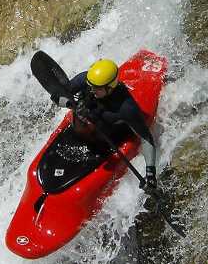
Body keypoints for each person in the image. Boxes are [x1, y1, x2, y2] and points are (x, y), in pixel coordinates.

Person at [55, 58, 160, 194]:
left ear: (110, 87)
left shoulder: (126, 107)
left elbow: (146, 139)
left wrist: (151, 174)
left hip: (105, 137)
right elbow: (59, 95)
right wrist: (71, 104)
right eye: (90, 85)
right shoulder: (87, 79)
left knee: (91, 120)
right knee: (82, 112)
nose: (91, 89)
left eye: (96, 88)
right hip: (82, 127)